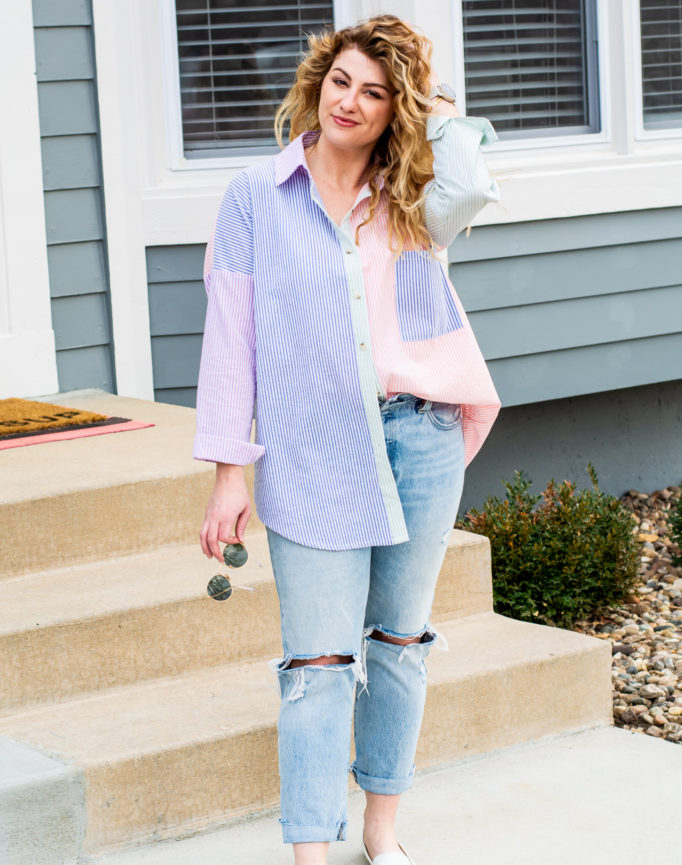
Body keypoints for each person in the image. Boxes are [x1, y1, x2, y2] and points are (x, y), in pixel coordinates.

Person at [194, 14, 501, 865]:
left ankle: (381, 834)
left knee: (399, 646)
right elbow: (230, 342)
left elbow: (470, 188)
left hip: (421, 437)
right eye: (341, 82)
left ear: (390, 109)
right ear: (317, 82)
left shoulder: (416, 195)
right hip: (310, 448)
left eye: (374, 92)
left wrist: (427, 104)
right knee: (317, 663)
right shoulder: (256, 196)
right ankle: (310, 854)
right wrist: (230, 472)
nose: (350, 103)